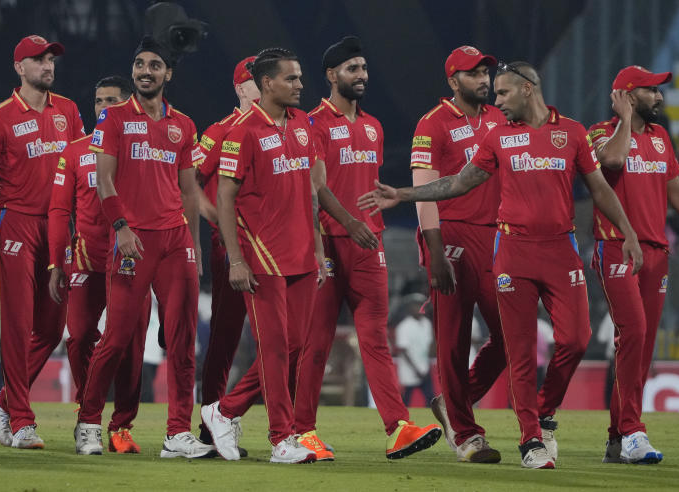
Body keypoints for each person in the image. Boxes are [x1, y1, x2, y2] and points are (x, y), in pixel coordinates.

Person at [359, 61, 644, 469]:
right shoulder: (495, 136)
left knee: (577, 339)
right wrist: (403, 195)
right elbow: (459, 182)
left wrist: (628, 233)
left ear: (527, 90)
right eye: (493, 93)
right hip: (510, 249)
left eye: (503, 93)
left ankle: (543, 412)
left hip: (560, 249)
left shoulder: (573, 132)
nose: (497, 101)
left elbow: (599, 189)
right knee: (517, 349)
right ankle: (529, 441)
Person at [295, 36, 441, 462]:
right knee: (317, 342)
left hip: (368, 242)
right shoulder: (312, 124)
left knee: (375, 337)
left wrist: (377, 208)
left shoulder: (374, 126)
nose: (361, 76)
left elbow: (361, 185)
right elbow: (314, 188)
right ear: (330, 75)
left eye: (363, 68)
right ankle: (301, 431)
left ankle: (397, 427)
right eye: (351, 69)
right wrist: (334, 234)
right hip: (328, 243)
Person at [589, 65, 679, 464]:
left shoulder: (661, 138)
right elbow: (613, 162)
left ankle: (617, 440)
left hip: (656, 253)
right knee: (632, 332)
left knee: (642, 345)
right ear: (629, 96)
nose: (661, 97)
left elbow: (677, 192)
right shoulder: (600, 133)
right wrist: (623, 120)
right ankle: (635, 432)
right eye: (652, 91)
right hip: (616, 247)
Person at [77, 37, 209, 459]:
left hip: (175, 240)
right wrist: (120, 227)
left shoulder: (184, 125)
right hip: (133, 240)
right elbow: (104, 179)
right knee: (115, 339)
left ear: (168, 74)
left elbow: (189, 189)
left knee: (183, 339)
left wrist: (194, 244)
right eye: (139, 64)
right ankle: (87, 423)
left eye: (154, 65)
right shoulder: (113, 119)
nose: (145, 71)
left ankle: (176, 433)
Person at [198, 47, 324, 464]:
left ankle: (224, 410)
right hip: (263, 253)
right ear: (267, 83)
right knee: (273, 349)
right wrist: (235, 258)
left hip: (303, 251)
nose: (301, 85)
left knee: (296, 344)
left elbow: (309, 191)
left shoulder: (303, 124)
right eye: (292, 78)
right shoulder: (241, 131)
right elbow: (226, 196)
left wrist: (319, 245)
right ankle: (281, 439)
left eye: (300, 78)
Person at [0, 35, 85, 449]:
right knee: (17, 326)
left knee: (53, 328)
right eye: (38, 60)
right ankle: (21, 420)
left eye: (51, 59)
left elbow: (79, 170)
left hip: (58, 227)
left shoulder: (68, 111)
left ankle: (3, 399)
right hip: (14, 224)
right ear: (19, 68)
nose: (48, 66)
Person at [410, 45, 508, 463]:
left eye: (486, 72)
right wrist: (435, 252)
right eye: (473, 74)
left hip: (495, 235)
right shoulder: (432, 124)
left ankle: (455, 404)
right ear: (453, 81)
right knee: (453, 339)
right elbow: (423, 189)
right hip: (450, 234)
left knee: (510, 335)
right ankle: (466, 435)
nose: (484, 80)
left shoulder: (500, 118)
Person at [47, 75, 148, 454]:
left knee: (132, 346)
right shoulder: (73, 152)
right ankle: (86, 408)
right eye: (98, 100)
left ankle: (121, 426)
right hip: (88, 261)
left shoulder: (142, 147)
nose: (103, 107)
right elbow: (59, 209)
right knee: (77, 337)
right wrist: (57, 262)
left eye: (111, 100)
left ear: (125, 106)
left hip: (132, 260)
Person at [195, 57, 259, 455]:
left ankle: (228, 416)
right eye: (254, 81)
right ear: (240, 88)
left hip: (274, 248)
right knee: (224, 339)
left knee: (280, 339)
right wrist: (217, 220)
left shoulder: (283, 128)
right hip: (232, 248)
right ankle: (210, 426)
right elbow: (190, 181)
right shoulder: (220, 131)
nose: (260, 86)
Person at [395, 294, 435, 405]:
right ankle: (401, 420)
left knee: (430, 399)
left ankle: (430, 420)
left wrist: (426, 366)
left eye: (422, 305)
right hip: (410, 370)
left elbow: (430, 345)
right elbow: (403, 350)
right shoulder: (404, 326)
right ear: (409, 308)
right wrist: (416, 370)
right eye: (416, 305)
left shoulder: (426, 323)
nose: (419, 308)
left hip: (424, 369)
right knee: (406, 400)